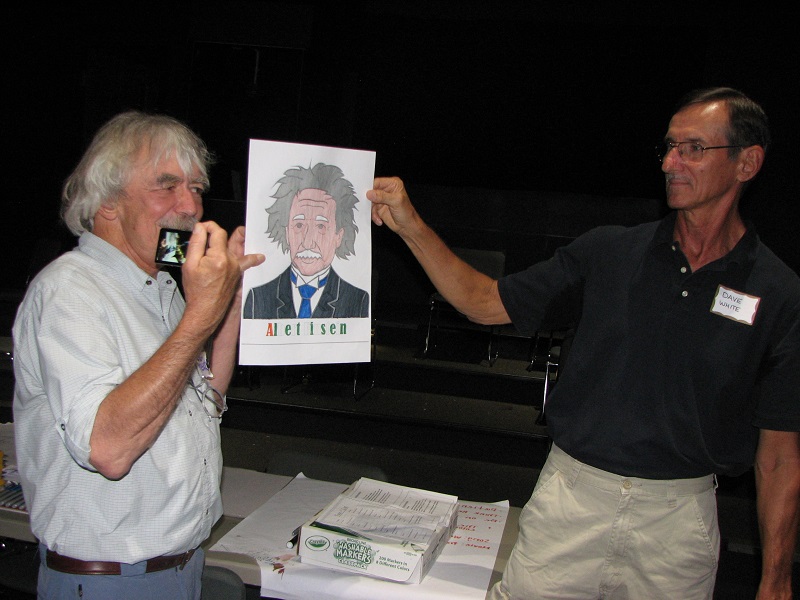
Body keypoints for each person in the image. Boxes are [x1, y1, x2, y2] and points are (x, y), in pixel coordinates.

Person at [368, 87, 800, 599]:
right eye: (668, 147)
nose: (670, 163)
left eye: (693, 149)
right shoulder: (610, 253)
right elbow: (484, 302)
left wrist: (776, 578)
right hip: (572, 501)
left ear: (747, 162)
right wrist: (411, 227)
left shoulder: (777, 292)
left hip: (678, 524)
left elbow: (779, 454)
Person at [12, 110, 265, 599]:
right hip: (108, 582)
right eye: (167, 186)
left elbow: (205, 398)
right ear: (107, 202)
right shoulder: (69, 290)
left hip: (180, 569)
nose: (191, 206)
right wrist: (199, 318)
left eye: (196, 187)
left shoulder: (161, 289)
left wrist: (230, 303)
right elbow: (107, 449)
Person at [242, 162, 369, 319]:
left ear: (338, 236)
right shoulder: (257, 298)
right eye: (299, 225)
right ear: (287, 232)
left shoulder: (357, 301)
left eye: (321, 226)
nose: (308, 242)